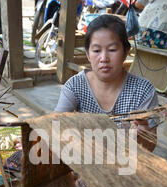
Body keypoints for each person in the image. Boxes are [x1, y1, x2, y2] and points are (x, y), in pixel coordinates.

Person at [55, 14, 158, 152]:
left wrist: (144, 135)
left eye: (112, 50)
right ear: (88, 54)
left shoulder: (143, 91)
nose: (104, 58)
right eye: (96, 50)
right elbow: (55, 126)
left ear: (126, 52)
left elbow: (149, 148)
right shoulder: (75, 85)